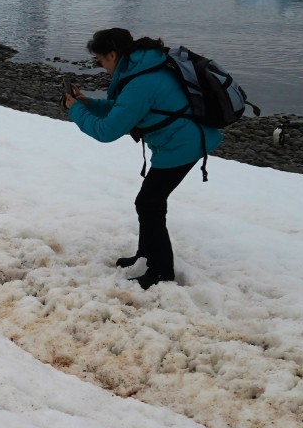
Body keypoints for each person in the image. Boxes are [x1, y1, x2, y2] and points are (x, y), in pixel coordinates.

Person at [64, 27, 222, 290]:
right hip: (178, 142)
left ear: (113, 54)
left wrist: (76, 111)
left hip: (183, 146)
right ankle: (147, 256)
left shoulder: (139, 81)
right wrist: (88, 103)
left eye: (101, 60)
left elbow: (107, 131)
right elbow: (123, 111)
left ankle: (161, 272)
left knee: (149, 204)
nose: (102, 67)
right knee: (150, 203)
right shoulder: (142, 67)